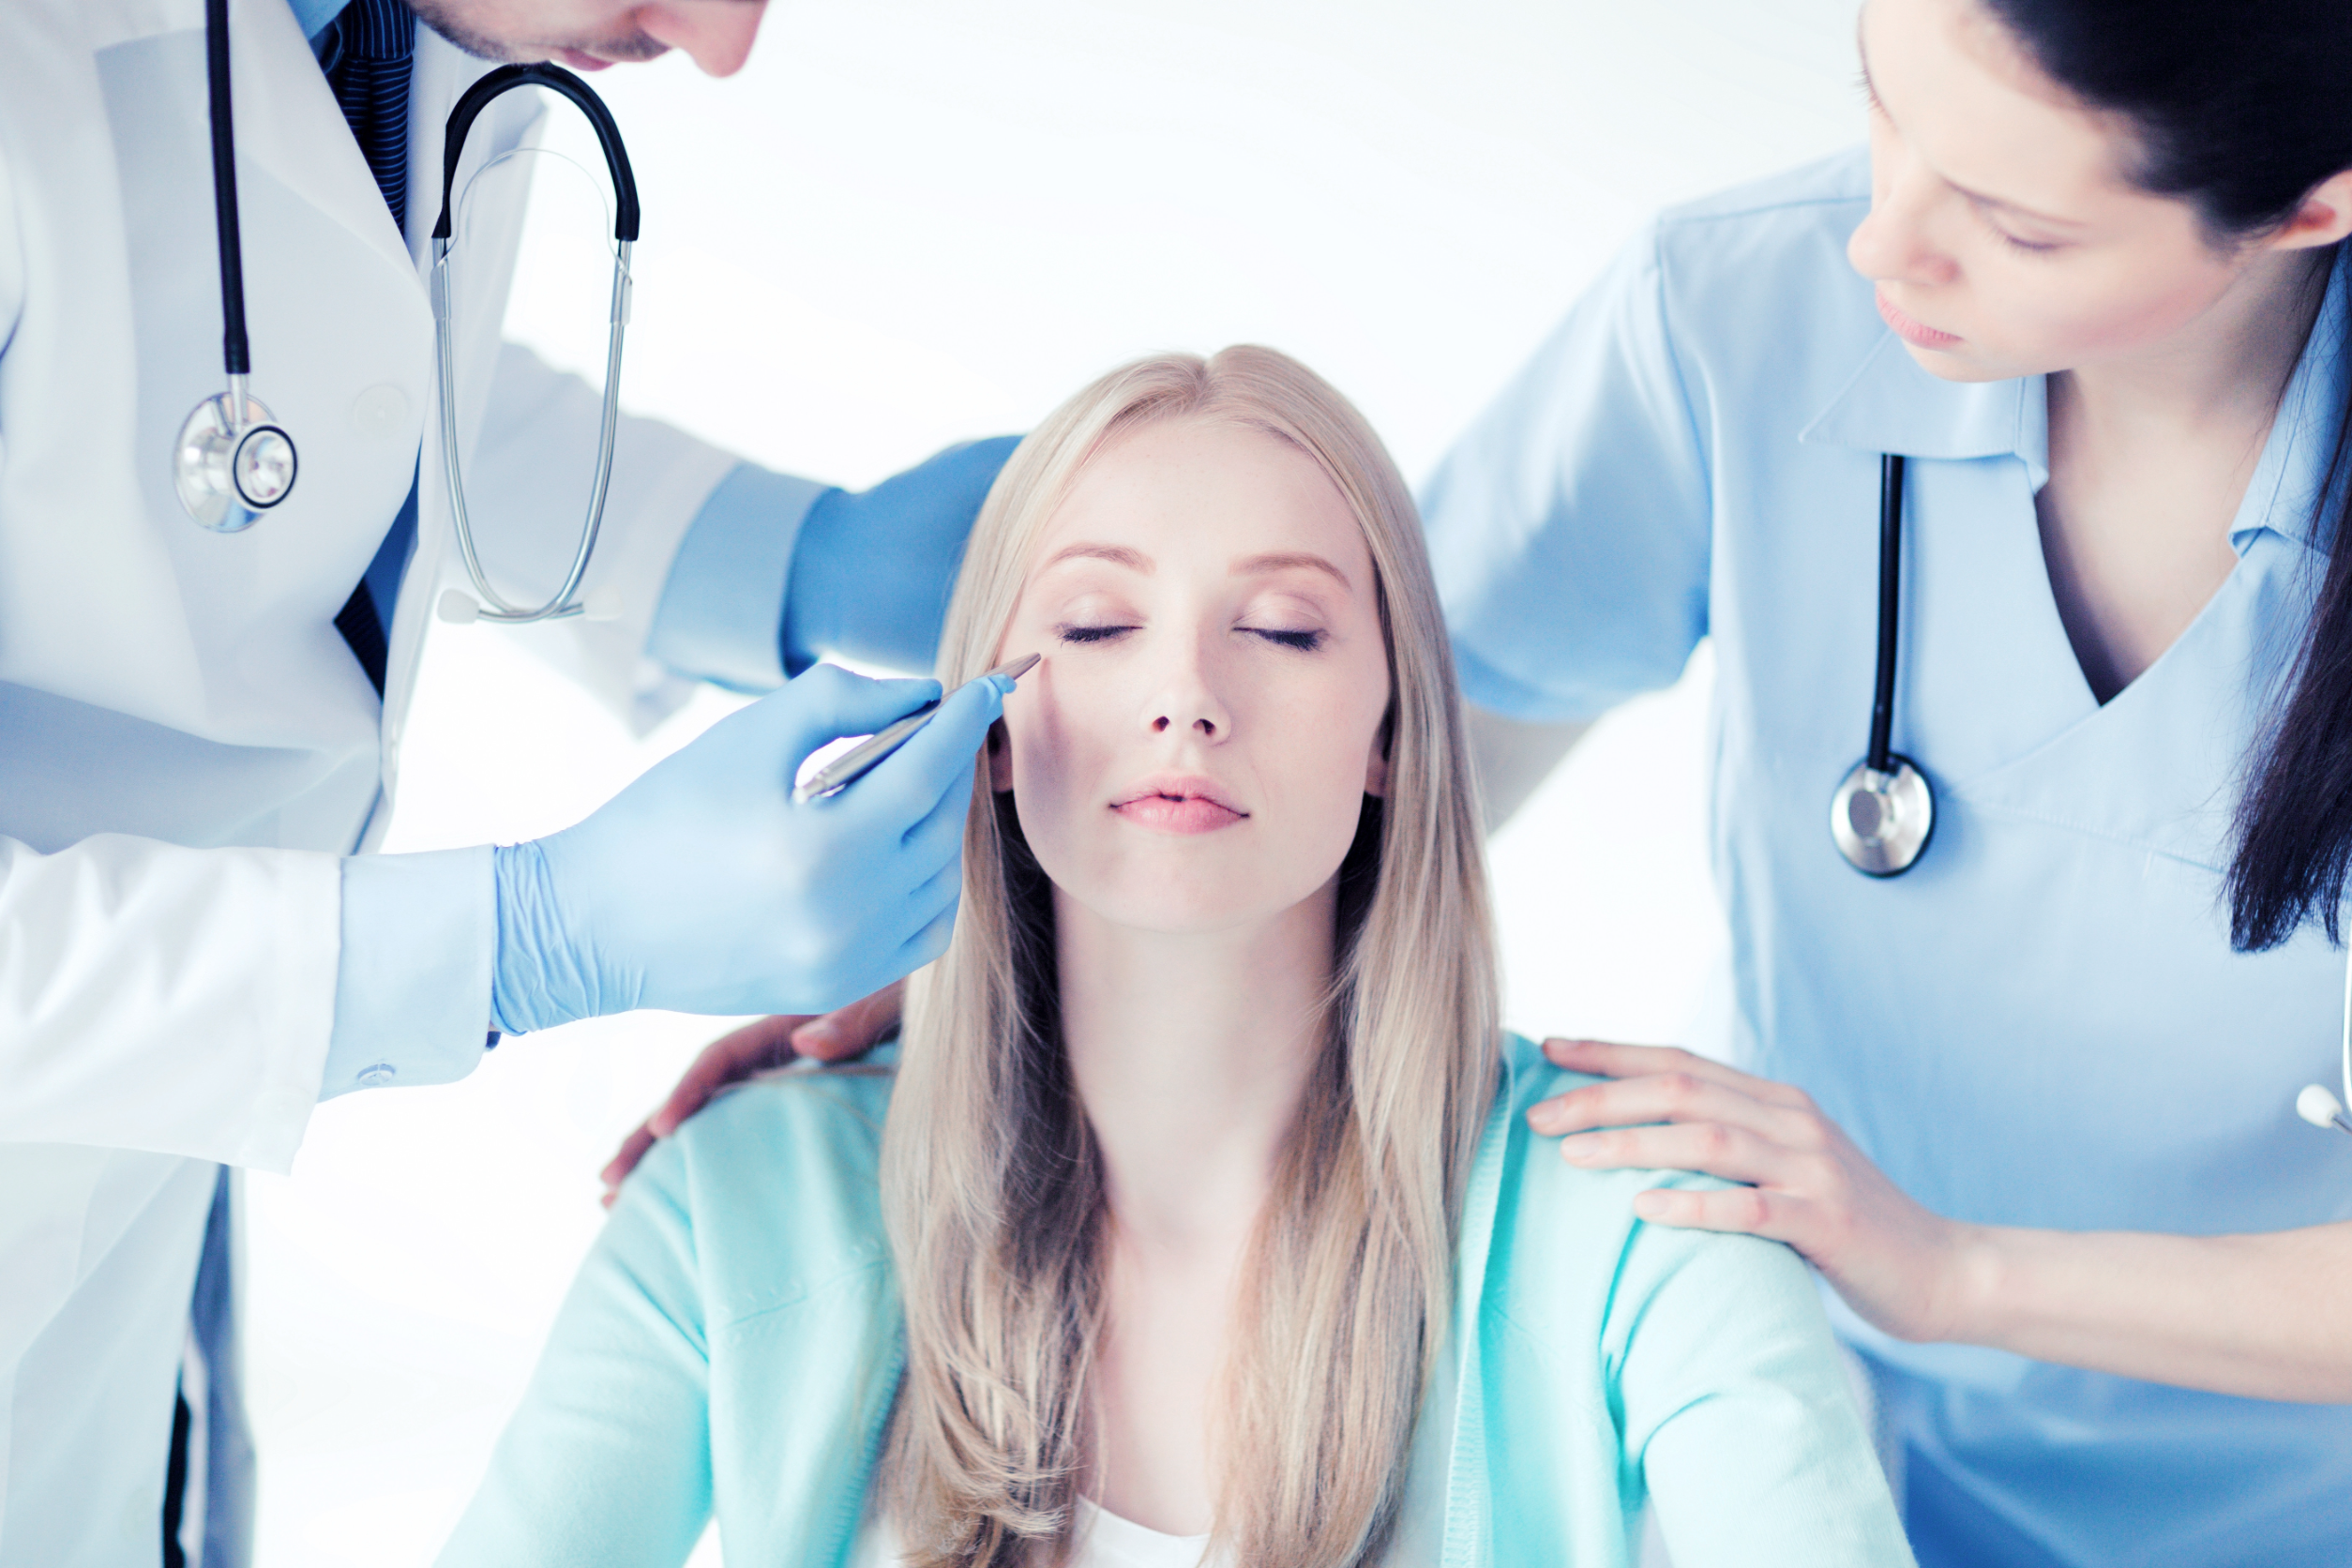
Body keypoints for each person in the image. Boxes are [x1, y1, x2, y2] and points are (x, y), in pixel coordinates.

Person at [608, 1, 2352, 1562]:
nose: (1882, 240)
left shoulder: (1639, 1261)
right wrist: (968, 970)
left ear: (2311, 202)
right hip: (1809, 1389)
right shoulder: (1745, 309)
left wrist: (1958, 1271)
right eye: (1882, 103)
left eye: (2014, 218)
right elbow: (1375, 726)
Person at [440, 347, 1914, 1568]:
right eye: (1095, 622)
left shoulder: (1640, 1224)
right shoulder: (737, 1203)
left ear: (1393, 734)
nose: (1186, 696)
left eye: (1281, 630)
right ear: (989, 728)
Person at [0, 1, 1015, 1560]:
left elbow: (310, 369)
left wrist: (785, 558)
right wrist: (525, 932)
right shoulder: (751, 1201)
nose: (723, 44)